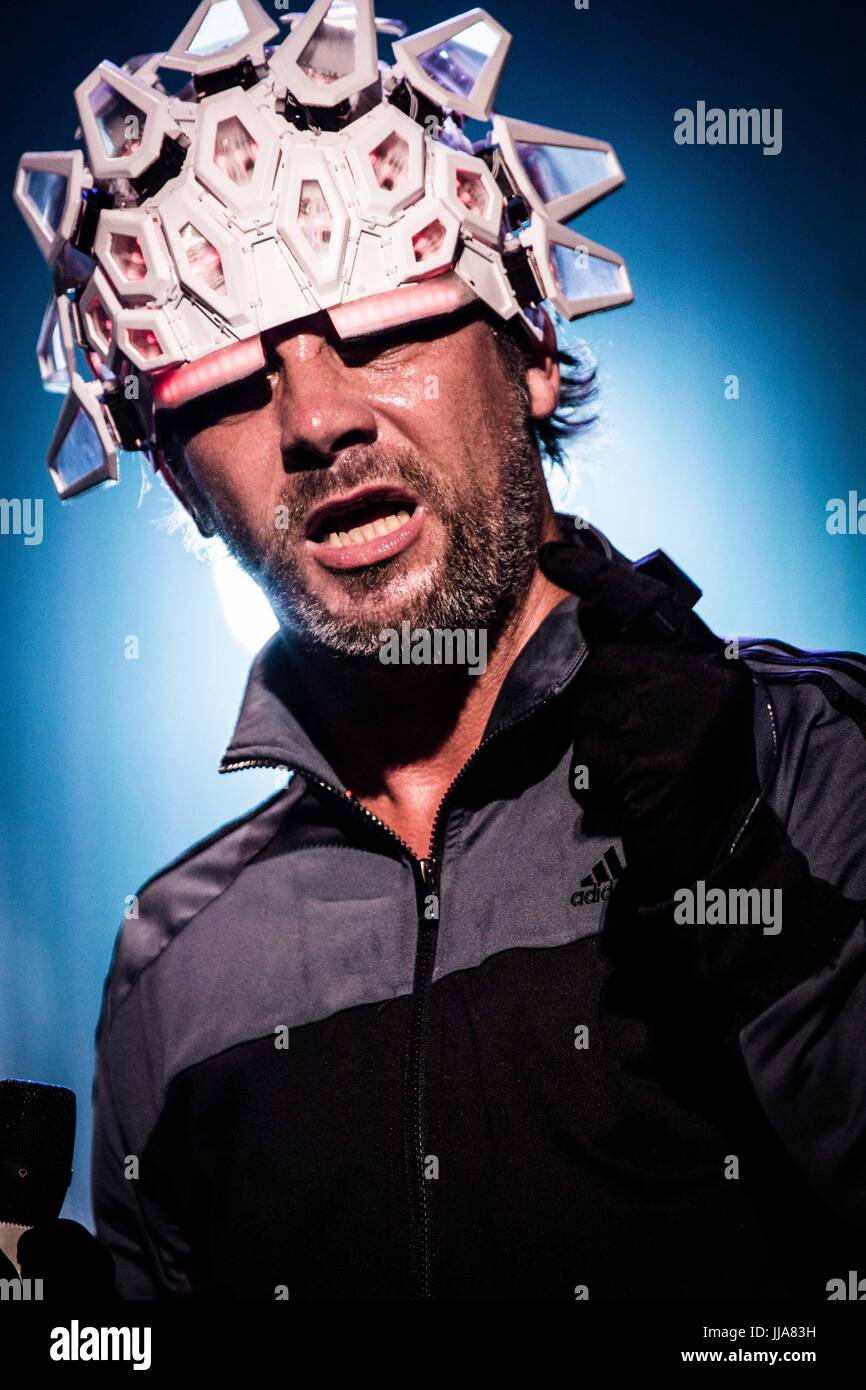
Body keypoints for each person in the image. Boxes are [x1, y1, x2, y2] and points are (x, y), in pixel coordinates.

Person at [15, 0, 866, 1300]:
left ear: (528, 346)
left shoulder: (814, 761)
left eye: (384, 318)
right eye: (227, 384)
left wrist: (749, 898)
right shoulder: (172, 966)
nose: (314, 416)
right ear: (182, 486)